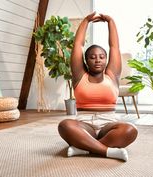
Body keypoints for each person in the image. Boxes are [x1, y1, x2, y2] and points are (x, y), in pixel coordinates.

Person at [58, 12, 138, 162]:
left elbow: (114, 46)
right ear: (86, 60)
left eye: (101, 57)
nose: (97, 60)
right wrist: (86, 21)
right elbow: (78, 45)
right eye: (92, 57)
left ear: (106, 59)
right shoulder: (79, 76)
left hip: (108, 123)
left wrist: (111, 21)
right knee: (65, 125)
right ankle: (107, 151)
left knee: (130, 130)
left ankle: (83, 148)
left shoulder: (112, 76)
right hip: (84, 124)